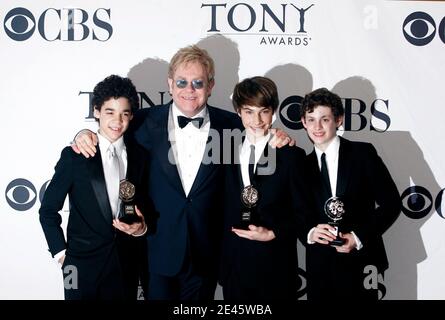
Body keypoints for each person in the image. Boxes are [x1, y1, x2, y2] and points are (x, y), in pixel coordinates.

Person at [72, 45, 293, 300]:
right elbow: (109, 133)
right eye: (182, 82)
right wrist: (82, 134)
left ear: (210, 86)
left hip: (206, 253)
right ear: (170, 83)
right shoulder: (141, 122)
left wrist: (278, 136)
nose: (190, 90)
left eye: (198, 83)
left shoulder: (234, 126)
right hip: (156, 250)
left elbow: (261, 134)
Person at [39, 75, 150, 300]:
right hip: (78, 268)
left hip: (125, 267)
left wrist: (142, 228)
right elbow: (48, 211)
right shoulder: (75, 156)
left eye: (124, 113)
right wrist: (62, 255)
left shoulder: (140, 157)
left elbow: (146, 207)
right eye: (110, 112)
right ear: (96, 111)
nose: (117, 121)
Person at [300, 87, 401, 300]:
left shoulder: (363, 154)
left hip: (362, 261)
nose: (317, 127)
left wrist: (357, 237)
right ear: (303, 122)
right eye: (311, 119)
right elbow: (296, 213)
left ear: (339, 120)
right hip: (320, 266)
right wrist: (309, 232)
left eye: (324, 119)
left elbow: (391, 203)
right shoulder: (300, 165)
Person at [219, 76, 310, 300]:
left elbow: (304, 213)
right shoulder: (222, 151)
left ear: (274, 112)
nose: (257, 120)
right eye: (249, 111)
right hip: (234, 267)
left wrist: (273, 233)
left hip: (275, 266)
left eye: (264, 111)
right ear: (238, 112)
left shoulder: (291, 156)